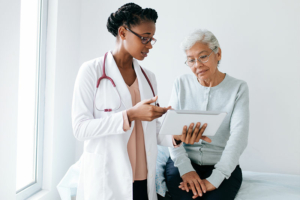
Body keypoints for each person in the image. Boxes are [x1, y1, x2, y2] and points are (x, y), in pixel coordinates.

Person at [71, 4, 210, 200]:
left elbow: (151, 130)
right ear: (123, 32)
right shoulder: (91, 71)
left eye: (152, 39)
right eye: (145, 38)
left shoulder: (149, 78)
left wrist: (177, 137)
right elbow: (80, 129)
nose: (150, 45)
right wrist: (130, 115)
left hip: (143, 179)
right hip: (107, 178)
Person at [156, 29, 249, 200]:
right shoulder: (181, 83)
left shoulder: (238, 88)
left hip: (222, 166)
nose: (197, 65)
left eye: (203, 56)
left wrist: (216, 178)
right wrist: (186, 170)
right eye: (191, 60)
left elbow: (239, 136)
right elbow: (171, 131)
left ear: (218, 54)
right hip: (183, 162)